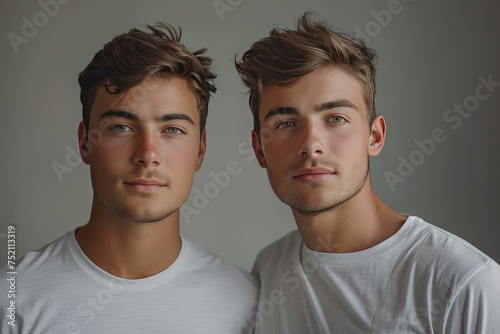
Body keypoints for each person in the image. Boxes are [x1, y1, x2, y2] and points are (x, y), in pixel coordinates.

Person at [235, 12, 500, 333]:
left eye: (336, 118)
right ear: (259, 149)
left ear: (374, 136)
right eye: (286, 123)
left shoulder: (464, 283)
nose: (311, 145)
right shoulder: (270, 269)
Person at [0, 22, 257, 333]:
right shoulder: (13, 300)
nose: (147, 154)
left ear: (200, 151)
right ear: (85, 142)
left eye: (172, 130)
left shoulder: (247, 304)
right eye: (121, 127)